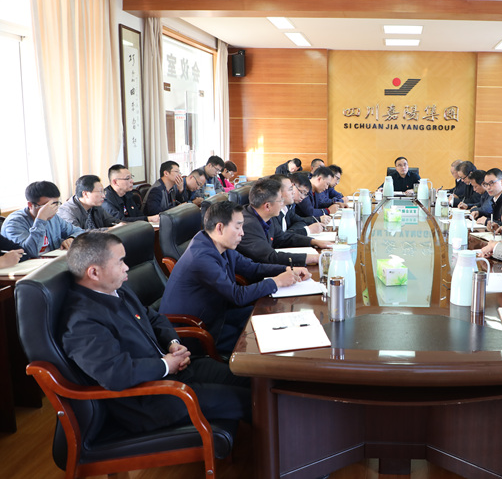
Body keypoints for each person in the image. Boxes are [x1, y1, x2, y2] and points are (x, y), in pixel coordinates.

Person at [60, 231, 250, 433]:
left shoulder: (117, 289)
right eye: (120, 262)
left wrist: (172, 343)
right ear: (94, 272)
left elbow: (154, 318)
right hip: (150, 399)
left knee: (251, 379)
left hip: (175, 373)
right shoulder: (81, 321)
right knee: (248, 400)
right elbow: (115, 374)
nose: (126, 267)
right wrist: (165, 365)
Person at [159, 201, 309, 354]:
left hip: (218, 313)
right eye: (238, 227)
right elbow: (237, 296)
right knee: (261, 342)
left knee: (268, 315)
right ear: (219, 228)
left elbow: (253, 268)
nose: (242, 233)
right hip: (197, 330)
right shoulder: (201, 258)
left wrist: (288, 269)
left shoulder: (219, 244)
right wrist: (277, 282)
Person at [238, 178, 329, 266]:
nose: (282, 204)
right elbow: (269, 257)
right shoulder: (248, 225)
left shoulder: (265, 216)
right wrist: (314, 258)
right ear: (267, 206)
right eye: (280, 200)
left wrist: (314, 242)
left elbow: (283, 238)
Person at [2, 181, 84, 256]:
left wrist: (72, 238)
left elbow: (80, 232)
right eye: (46, 206)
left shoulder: (54, 218)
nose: (52, 209)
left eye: (55, 204)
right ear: (30, 205)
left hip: (51, 261)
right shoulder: (14, 222)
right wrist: (41, 219)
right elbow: (28, 252)